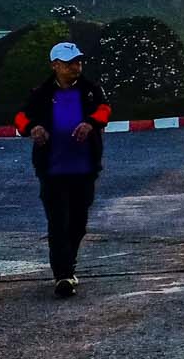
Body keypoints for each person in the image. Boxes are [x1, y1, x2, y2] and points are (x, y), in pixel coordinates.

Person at [13, 42, 112, 298]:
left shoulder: (90, 91)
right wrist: (33, 128)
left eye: (78, 62)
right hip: (52, 169)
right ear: (55, 65)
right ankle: (63, 274)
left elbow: (105, 109)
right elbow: (20, 116)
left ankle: (70, 261)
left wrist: (90, 123)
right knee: (58, 222)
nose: (75, 67)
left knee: (78, 221)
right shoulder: (41, 93)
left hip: (84, 167)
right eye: (69, 63)